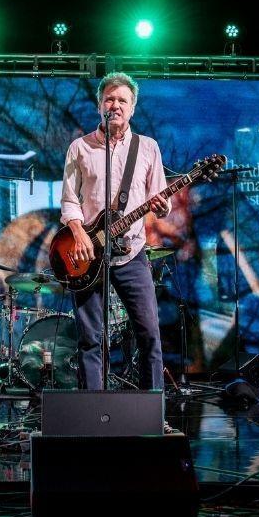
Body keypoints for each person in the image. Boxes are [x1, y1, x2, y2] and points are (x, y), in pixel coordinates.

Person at [61, 73, 170, 390]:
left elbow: (159, 198)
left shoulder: (147, 148)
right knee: (90, 339)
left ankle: (154, 412)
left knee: (149, 334)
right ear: (99, 105)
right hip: (88, 254)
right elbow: (69, 200)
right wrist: (79, 232)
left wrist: (163, 208)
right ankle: (93, 411)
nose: (115, 105)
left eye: (122, 100)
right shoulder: (79, 148)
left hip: (133, 253)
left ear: (132, 108)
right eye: (109, 99)